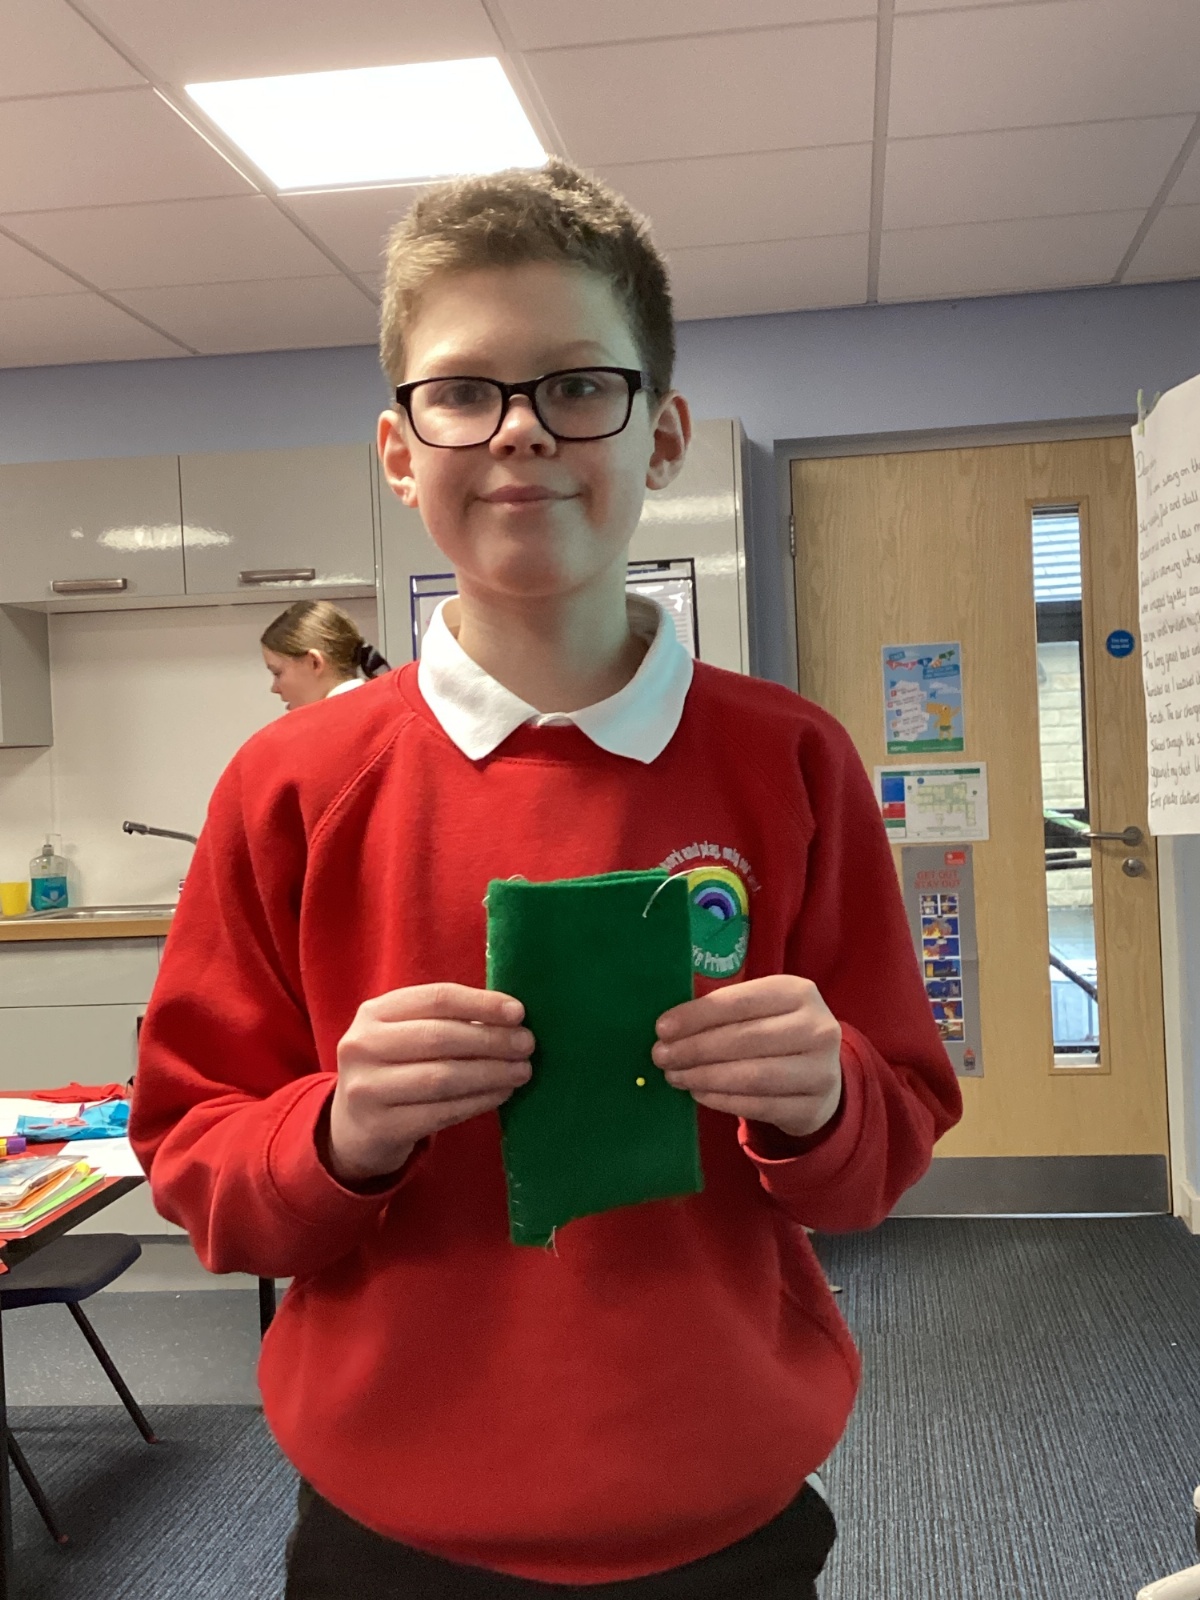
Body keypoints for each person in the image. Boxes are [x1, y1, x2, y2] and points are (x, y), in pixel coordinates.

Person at [130, 161, 962, 1598]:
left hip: (723, 1506)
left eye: (579, 385)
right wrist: (340, 1131)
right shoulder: (291, 787)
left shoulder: (793, 761)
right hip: (394, 1521)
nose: (520, 431)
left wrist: (825, 1095)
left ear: (664, 434)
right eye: (463, 392)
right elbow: (199, 1166)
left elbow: (885, 1153)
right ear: (401, 452)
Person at [260, 599, 390, 710]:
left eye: (277, 673)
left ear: (314, 662)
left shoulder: (333, 726)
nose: (274, 689)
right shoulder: (386, 708)